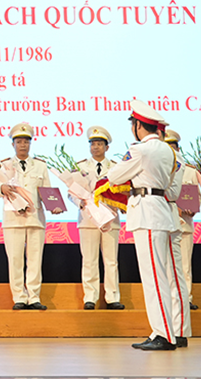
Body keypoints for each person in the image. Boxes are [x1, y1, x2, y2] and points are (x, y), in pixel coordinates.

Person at [105, 100, 181, 350]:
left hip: (147, 212)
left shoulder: (141, 150)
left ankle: (164, 335)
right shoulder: (167, 150)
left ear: (138, 126)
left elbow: (115, 176)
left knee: (153, 277)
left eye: (133, 125)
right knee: (158, 275)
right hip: (158, 209)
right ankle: (161, 330)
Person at [0, 122, 59, 310]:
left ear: (30, 144)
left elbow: (47, 191)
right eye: (19, 142)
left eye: (26, 142)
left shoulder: (40, 165)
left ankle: (34, 297)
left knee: (35, 260)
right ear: (12, 144)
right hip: (13, 220)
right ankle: (19, 297)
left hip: (35, 219)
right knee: (15, 260)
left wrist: (54, 205)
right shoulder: (4, 165)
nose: (23, 145)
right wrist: (1, 188)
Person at [73, 126, 124, 310]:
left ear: (106, 147)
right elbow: (72, 191)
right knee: (89, 260)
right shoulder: (80, 167)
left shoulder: (116, 168)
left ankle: (112, 297)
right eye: (93, 144)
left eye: (99, 144)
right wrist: (80, 202)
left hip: (110, 218)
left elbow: (123, 190)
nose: (95, 147)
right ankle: (90, 297)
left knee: (111, 260)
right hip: (88, 219)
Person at [165, 129, 200, 310]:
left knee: (185, 266)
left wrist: (193, 209)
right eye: (168, 148)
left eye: (174, 147)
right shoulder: (158, 169)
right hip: (164, 225)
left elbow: (197, 196)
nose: (172, 151)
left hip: (184, 225)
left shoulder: (190, 171)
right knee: (165, 266)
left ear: (179, 149)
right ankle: (169, 301)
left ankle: (186, 299)